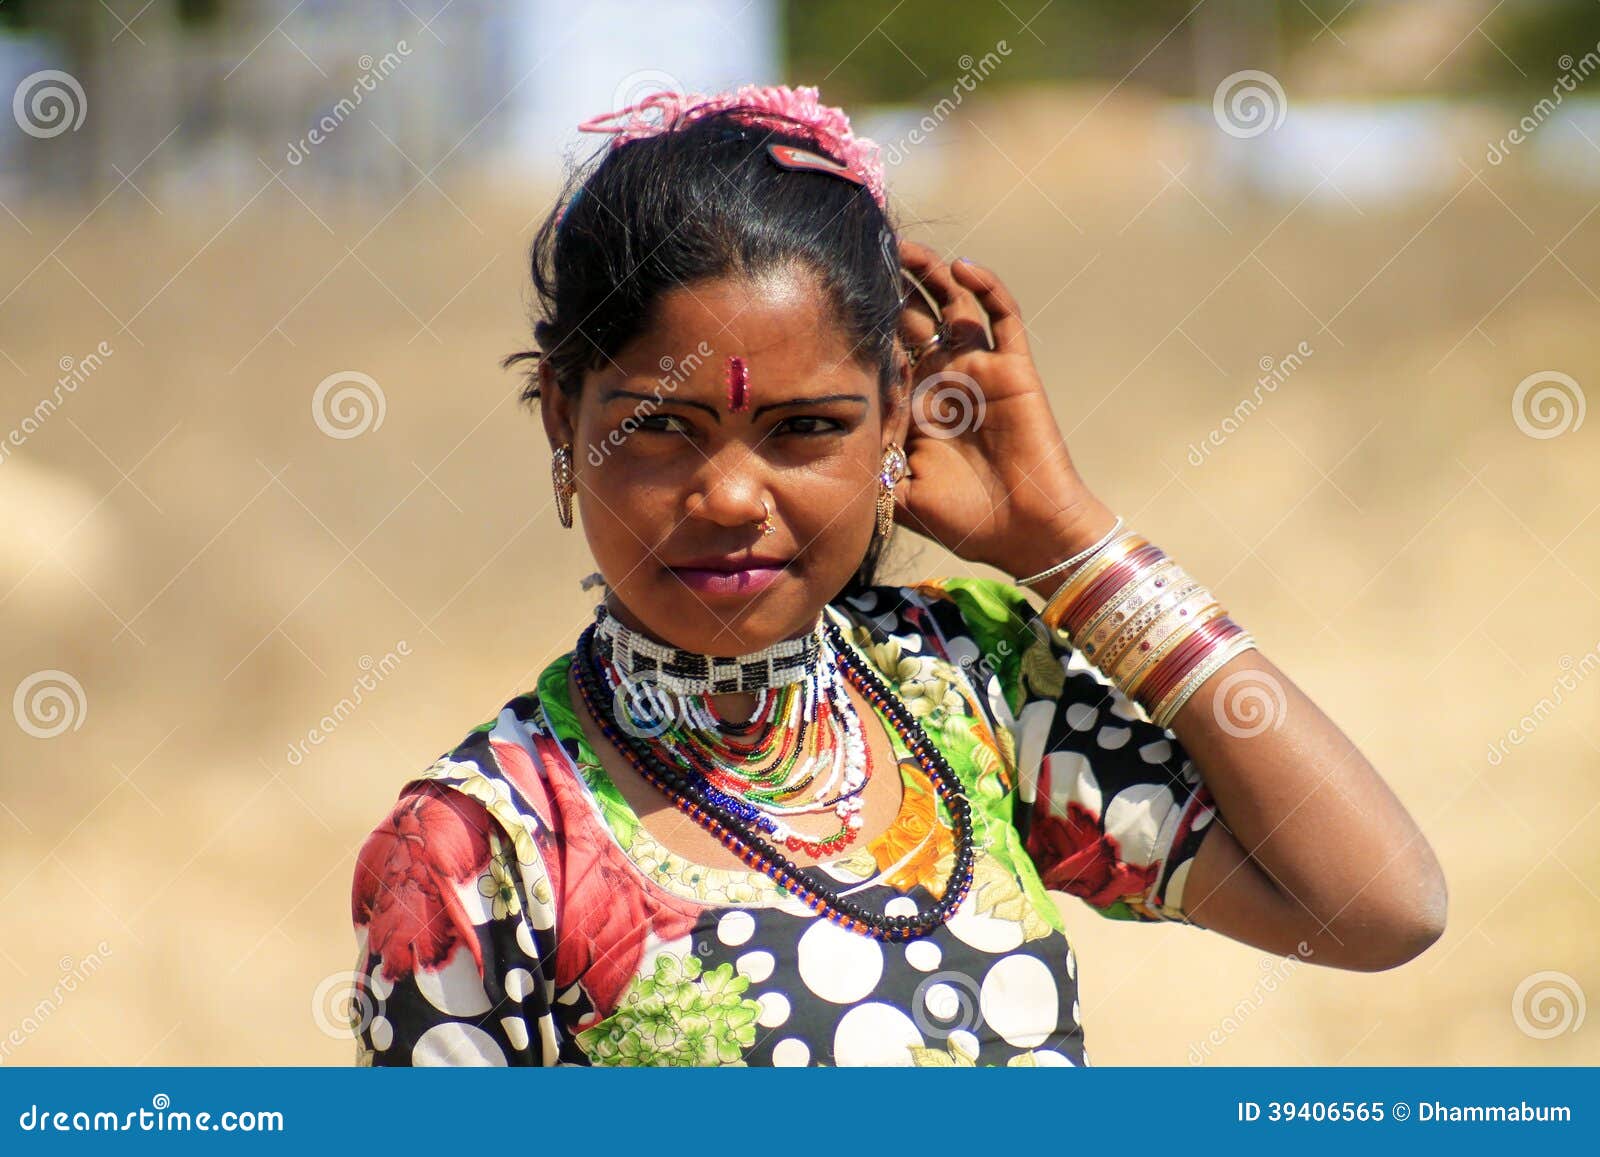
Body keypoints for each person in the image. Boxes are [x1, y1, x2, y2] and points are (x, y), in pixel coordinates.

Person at [347, 84, 1447, 1067]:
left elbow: (1376, 904)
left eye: (807, 428)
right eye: (657, 427)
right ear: (562, 420)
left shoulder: (969, 686)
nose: (730, 496)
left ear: (895, 419)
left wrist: (1066, 543)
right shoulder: (472, 848)